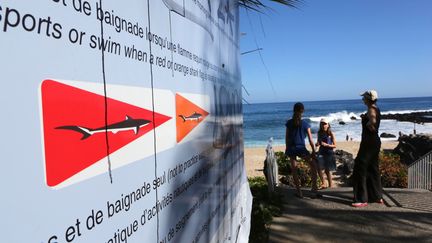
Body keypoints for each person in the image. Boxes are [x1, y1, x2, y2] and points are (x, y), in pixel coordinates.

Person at [352, 90, 383, 207]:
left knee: (360, 167)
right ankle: (376, 196)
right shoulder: (376, 108)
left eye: (364, 97)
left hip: (368, 142)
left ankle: (361, 199)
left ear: (368, 99)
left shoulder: (371, 109)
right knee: (373, 168)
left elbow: (373, 121)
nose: (362, 99)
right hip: (375, 142)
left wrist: (368, 124)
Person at [285, 102, 319, 198]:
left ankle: (299, 192)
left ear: (293, 110)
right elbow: (310, 140)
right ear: (302, 111)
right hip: (301, 149)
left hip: (291, 149)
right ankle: (314, 188)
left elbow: (287, 138)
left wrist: (287, 149)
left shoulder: (289, 123)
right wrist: (313, 151)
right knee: (313, 165)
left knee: (294, 170)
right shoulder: (305, 124)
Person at [315, 118, 337, 189]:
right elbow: (318, 142)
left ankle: (330, 186)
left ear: (328, 125)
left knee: (327, 170)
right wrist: (317, 144)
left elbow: (335, 145)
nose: (323, 125)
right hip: (321, 152)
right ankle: (323, 183)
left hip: (329, 153)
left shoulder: (330, 133)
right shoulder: (319, 133)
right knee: (319, 168)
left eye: (325, 124)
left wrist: (327, 145)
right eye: (322, 124)